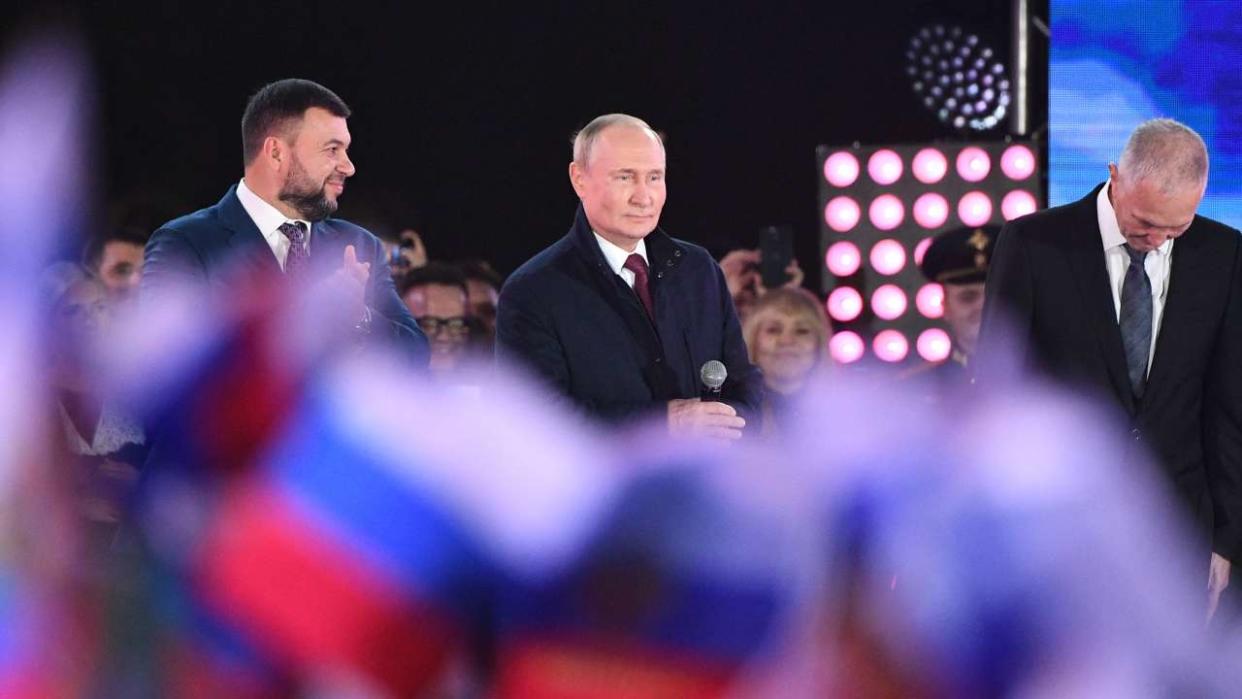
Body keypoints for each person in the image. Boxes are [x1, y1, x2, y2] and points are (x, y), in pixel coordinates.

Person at [976, 118, 1242, 619]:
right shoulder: (1034, 244)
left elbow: (1229, 407)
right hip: (1057, 524)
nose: (1158, 239)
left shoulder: (1223, 255)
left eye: (1176, 227)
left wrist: (1224, 540)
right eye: (1144, 222)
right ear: (1114, 177)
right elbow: (1000, 392)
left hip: (1177, 528)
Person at [497, 114, 761, 437]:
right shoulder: (533, 291)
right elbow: (535, 421)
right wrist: (665, 423)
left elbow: (745, 386)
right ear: (579, 179)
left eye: (654, 178)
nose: (643, 197)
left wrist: (731, 426)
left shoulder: (698, 270)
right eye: (625, 178)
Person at [141, 78, 427, 361]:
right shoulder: (186, 243)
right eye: (332, 150)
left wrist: (359, 318)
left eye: (346, 150)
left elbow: (416, 354)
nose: (348, 167)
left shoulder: (359, 245)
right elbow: (164, 364)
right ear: (276, 153)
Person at [901, 225, 997, 398]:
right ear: (945, 306)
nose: (984, 307)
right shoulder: (912, 395)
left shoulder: (1053, 384)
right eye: (968, 297)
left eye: (997, 296)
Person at [740, 287, 830, 436]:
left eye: (801, 331)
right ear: (752, 340)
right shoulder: (731, 414)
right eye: (773, 330)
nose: (787, 341)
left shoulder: (850, 415)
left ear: (819, 343)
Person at [399, 263, 473, 377]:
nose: (443, 337)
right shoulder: (372, 389)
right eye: (428, 325)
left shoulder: (493, 389)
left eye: (455, 325)